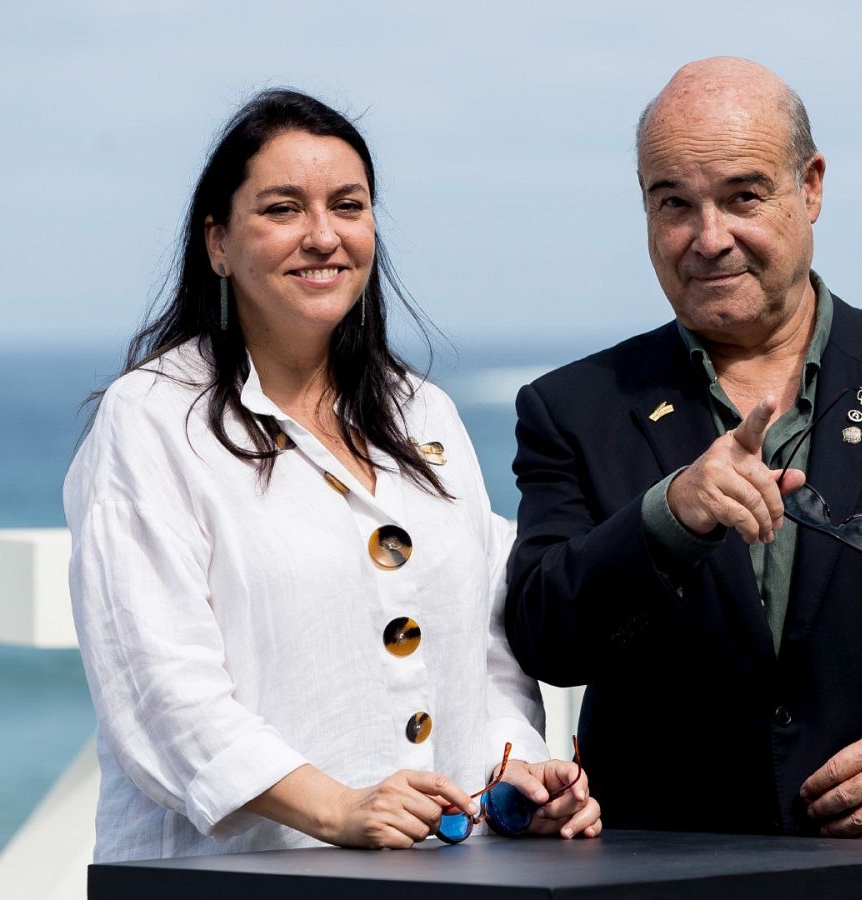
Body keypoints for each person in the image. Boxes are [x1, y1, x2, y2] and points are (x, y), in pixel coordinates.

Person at [503, 58, 862, 844]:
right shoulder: (572, 407)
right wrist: (669, 514)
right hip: (665, 870)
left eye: (743, 196)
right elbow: (547, 637)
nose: (708, 238)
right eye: (673, 203)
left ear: (810, 187)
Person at [65, 89, 600, 862]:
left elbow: (484, 649)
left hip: (438, 873)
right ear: (217, 243)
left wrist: (517, 774)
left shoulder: (425, 415)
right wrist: (338, 809)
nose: (323, 236)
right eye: (283, 209)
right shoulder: (150, 419)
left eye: (347, 205)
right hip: (230, 880)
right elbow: (160, 694)